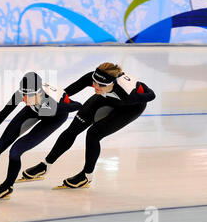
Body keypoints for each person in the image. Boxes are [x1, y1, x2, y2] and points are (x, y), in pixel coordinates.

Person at [0, 72, 82, 201]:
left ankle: (7, 186)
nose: (22, 99)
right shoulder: (24, 95)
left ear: (37, 93)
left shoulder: (53, 103)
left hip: (54, 118)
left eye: (26, 95)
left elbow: (78, 105)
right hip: (34, 110)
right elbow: (2, 114)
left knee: (15, 151)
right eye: (22, 94)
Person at [20, 62, 156, 189]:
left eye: (101, 85)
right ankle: (45, 165)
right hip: (105, 98)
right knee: (72, 129)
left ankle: (86, 176)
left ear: (112, 83)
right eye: (95, 83)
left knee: (93, 134)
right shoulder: (95, 79)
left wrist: (140, 96)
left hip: (129, 108)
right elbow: (68, 91)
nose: (96, 86)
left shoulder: (127, 92)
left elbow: (151, 95)